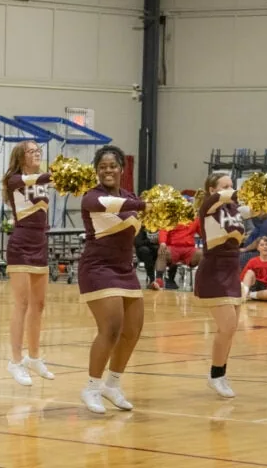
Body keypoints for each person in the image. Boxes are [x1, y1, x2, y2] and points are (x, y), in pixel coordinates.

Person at [78, 145, 146, 414]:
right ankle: (91, 387)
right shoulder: (91, 198)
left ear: (122, 169)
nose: (108, 170)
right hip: (98, 268)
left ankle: (112, 385)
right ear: (97, 171)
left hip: (125, 269)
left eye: (112, 166)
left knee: (133, 330)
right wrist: (145, 204)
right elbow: (122, 207)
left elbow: (135, 211)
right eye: (102, 166)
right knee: (112, 328)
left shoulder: (130, 196)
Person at [1, 141, 54, 386]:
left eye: (38, 151)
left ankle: (34, 357)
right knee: (21, 303)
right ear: (21, 156)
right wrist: (51, 175)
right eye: (32, 151)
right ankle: (15, 360)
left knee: (39, 304)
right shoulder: (14, 180)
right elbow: (32, 181)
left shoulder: (42, 181)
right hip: (21, 245)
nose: (37, 154)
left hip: (40, 243)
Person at [194, 173, 251, 398]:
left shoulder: (234, 209)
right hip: (214, 272)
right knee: (227, 326)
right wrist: (242, 193)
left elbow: (255, 209)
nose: (230, 189)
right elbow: (226, 197)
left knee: (231, 329)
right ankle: (215, 375)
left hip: (232, 272)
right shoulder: (208, 207)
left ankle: (221, 374)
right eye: (225, 186)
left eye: (231, 185)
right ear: (212, 190)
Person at [149, 217, 201, 290]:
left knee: (202, 254)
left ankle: (204, 281)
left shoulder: (195, 218)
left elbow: (203, 233)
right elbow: (163, 231)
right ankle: (159, 281)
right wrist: (163, 243)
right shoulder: (170, 216)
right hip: (173, 247)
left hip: (189, 249)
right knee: (163, 251)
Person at [240, 237, 267, 301]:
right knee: (249, 272)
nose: (265, 247)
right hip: (255, 285)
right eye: (262, 245)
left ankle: (251, 295)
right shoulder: (252, 261)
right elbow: (243, 277)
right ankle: (244, 295)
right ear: (258, 248)